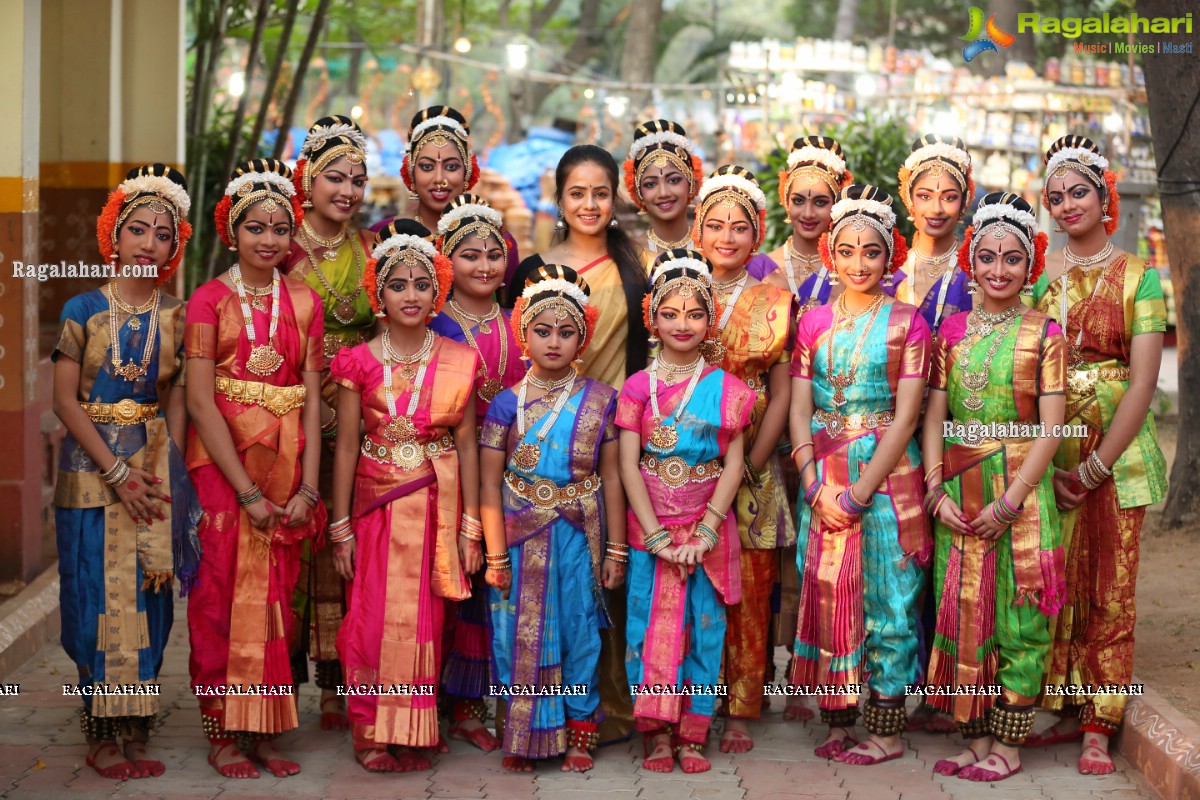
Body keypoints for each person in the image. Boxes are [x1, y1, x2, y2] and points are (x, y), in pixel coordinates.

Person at [53, 164, 202, 780]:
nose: (148, 243)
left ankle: (133, 718)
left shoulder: (179, 315)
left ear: (175, 245)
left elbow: (175, 400)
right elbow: (65, 400)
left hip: (154, 466)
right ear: (113, 234)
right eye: (136, 229)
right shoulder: (82, 308)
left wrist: (168, 474)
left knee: (151, 593)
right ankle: (100, 727)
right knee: (93, 592)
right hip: (92, 471)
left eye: (161, 234)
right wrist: (116, 471)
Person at [1030, 136, 1168, 775]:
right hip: (1050, 448)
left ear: (1104, 194)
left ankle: (1100, 720)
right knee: (1058, 580)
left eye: (1078, 192)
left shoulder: (1139, 275)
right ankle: (1060, 704)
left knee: (1111, 585)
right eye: (1055, 198)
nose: (1066, 206)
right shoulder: (1039, 278)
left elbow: (1142, 384)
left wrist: (1090, 470)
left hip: (1115, 453)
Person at [186, 159, 325, 779]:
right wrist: (244, 491)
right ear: (231, 231)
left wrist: (310, 488)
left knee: (276, 598)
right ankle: (221, 730)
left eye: (279, 227)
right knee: (220, 594)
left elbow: (314, 395)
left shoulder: (304, 300)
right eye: (255, 228)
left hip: (289, 461)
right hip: (222, 468)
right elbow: (197, 400)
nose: (268, 239)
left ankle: (264, 728)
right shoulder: (208, 300)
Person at [506, 143, 648, 742]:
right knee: (548, 588)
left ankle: (612, 710)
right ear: (559, 199)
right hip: (548, 446)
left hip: (617, 442)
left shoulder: (634, 269)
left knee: (610, 580)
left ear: (615, 197)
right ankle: (544, 713)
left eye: (600, 192)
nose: (590, 204)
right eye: (577, 193)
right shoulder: (534, 270)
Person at [922, 193, 1066, 781]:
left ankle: (1009, 747)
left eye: (1011, 259)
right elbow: (933, 417)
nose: (999, 271)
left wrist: (1013, 499)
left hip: (1022, 494)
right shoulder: (950, 332)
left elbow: (1053, 426)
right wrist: (935, 491)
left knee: (1019, 618)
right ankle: (975, 740)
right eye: (987, 258)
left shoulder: (1045, 332)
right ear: (969, 262)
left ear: (1030, 262)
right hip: (958, 487)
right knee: (962, 613)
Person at [328, 219, 480, 772]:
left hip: (437, 511)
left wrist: (470, 528)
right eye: (398, 285)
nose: (410, 295)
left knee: (427, 621)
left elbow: (467, 447)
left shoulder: (460, 359)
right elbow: (345, 448)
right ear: (379, 293)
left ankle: (413, 727)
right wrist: (339, 526)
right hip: (375, 511)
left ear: (437, 288)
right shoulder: (358, 361)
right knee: (369, 619)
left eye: (421, 283)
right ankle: (372, 733)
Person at [788, 184, 932, 765]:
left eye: (870, 252)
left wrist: (860, 490)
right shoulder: (812, 321)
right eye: (845, 251)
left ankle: (888, 730)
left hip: (888, 477)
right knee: (827, 593)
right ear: (830, 252)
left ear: (890, 253)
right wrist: (812, 482)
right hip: (822, 471)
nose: (858, 263)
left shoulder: (909, 322)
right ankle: (840, 720)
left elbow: (906, 417)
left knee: (891, 601)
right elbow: (800, 407)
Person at [481, 265, 626, 773]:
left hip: (577, 535)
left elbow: (612, 480)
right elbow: (487, 484)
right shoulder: (503, 405)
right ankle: (523, 736)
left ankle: (580, 733)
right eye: (543, 331)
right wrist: (493, 554)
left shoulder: (601, 402)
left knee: (578, 630)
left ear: (582, 338)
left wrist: (615, 551)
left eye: (567, 332)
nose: (554, 342)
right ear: (524, 333)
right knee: (515, 632)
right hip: (518, 537)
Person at [617, 249, 755, 774]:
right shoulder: (636, 388)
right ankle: (655, 731)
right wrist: (655, 538)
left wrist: (705, 533)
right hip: (650, 529)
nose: (682, 324)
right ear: (652, 316)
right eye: (670, 313)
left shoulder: (727, 391)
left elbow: (733, 464)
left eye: (695, 314)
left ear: (709, 320)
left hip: (705, 531)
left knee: (705, 629)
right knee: (644, 629)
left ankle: (693, 734)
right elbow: (629, 467)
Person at [693, 164, 795, 752]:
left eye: (739, 227)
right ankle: (690, 701)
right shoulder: (679, 289)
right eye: (714, 225)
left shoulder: (774, 300)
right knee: (693, 583)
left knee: (750, 588)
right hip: (687, 458)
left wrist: (755, 462)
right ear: (697, 231)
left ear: (757, 234)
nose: (726, 237)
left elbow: (781, 394)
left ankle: (742, 706)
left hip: (753, 459)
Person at [282, 114, 374, 731]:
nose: (346, 190)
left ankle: (341, 688)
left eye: (357, 179)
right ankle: (280, 686)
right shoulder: (274, 243)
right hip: (290, 413)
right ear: (307, 180)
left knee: (351, 550)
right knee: (294, 551)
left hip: (362, 418)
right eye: (333, 177)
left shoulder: (372, 251)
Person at [432, 193, 527, 751]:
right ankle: (435, 704)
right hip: (446, 472)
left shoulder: (523, 322)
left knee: (492, 593)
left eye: (495, 253)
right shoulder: (434, 323)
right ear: (447, 258)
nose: (485, 264)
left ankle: (474, 706)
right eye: (470, 254)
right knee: (451, 587)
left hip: (513, 478)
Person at [372, 106, 520, 277]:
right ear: (411, 172)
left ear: (468, 171)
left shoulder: (499, 243)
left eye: (451, 167)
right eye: (427, 167)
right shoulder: (384, 234)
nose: (439, 179)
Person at [888, 134, 975, 336]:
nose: (936, 209)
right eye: (925, 196)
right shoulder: (889, 270)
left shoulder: (976, 274)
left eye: (949, 197)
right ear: (909, 199)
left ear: (964, 201)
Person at [759, 136, 853, 315]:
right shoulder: (760, 268)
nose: (808, 213)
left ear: (836, 204)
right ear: (785, 201)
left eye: (820, 202)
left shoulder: (851, 270)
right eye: (798, 200)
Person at [622, 119, 703, 258]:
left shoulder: (716, 250)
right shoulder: (629, 255)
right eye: (650, 184)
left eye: (673, 180)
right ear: (637, 192)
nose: (663, 193)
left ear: (693, 184)